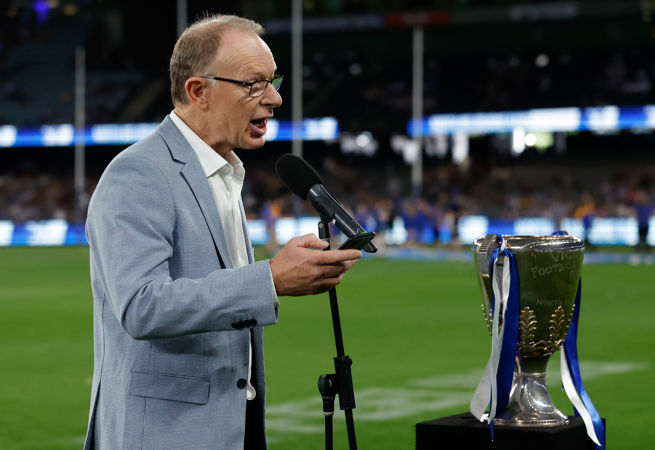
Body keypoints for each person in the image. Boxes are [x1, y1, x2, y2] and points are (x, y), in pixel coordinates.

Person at [83, 14, 361, 450]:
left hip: (229, 429)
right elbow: (141, 306)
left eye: (273, 81)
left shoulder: (223, 172)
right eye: (254, 84)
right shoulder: (139, 173)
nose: (275, 98)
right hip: (164, 436)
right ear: (199, 92)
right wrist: (270, 279)